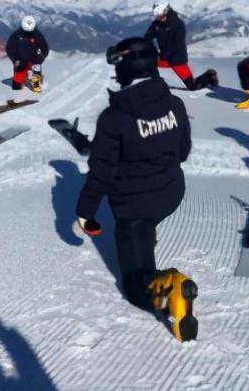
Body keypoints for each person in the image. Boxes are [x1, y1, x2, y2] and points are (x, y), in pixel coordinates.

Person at [75, 37, 198, 342]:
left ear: (126, 69)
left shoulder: (114, 118)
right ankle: (150, 246)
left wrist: (84, 212)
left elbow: (101, 174)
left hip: (134, 206)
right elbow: (182, 151)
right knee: (145, 227)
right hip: (170, 194)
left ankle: (170, 287)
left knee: (133, 284)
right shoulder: (175, 104)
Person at [144, 2, 217, 91]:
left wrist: (164, 54)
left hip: (177, 59)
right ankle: (155, 84)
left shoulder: (178, 24)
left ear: (166, 11)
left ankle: (210, 76)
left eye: (161, 16)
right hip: (163, 57)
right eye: (158, 16)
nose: (159, 18)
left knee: (192, 86)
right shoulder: (157, 24)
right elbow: (147, 37)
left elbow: (178, 44)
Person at [6, 15, 49, 92]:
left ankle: (36, 88)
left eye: (30, 32)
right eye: (26, 31)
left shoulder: (37, 35)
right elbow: (9, 49)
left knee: (36, 85)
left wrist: (40, 58)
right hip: (20, 60)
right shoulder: (16, 35)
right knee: (16, 86)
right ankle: (16, 93)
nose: (28, 34)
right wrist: (15, 60)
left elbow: (45, 49)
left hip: (34, 60)